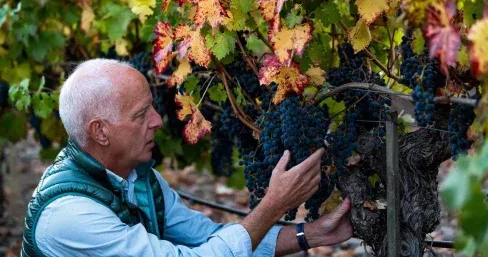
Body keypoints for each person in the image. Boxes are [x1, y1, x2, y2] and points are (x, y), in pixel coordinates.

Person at [21, 59, 353, 257]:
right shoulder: (72, 217)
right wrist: (272, 205)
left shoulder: (136, 177)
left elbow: (207, 237)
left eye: (152, 106)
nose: (158, 120)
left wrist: (310, 234)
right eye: (140, 115)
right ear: (101, 132)